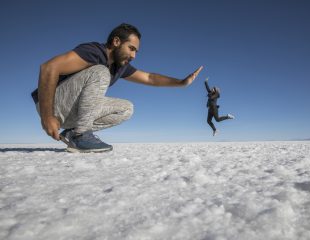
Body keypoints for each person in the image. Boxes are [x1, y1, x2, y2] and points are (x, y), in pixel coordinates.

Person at [31, 23, 203, 153]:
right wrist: (47, 116)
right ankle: (81, 134)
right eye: (131, 49)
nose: (134, 56)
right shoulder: (94, 51)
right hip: (52, 105)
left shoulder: (120, 67)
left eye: (136, 52)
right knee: (101, 72)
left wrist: (181, 83)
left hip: (71, 112)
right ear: (116, 41)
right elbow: (49, 68)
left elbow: (149, 78)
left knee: (126, 108)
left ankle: (73, 133)